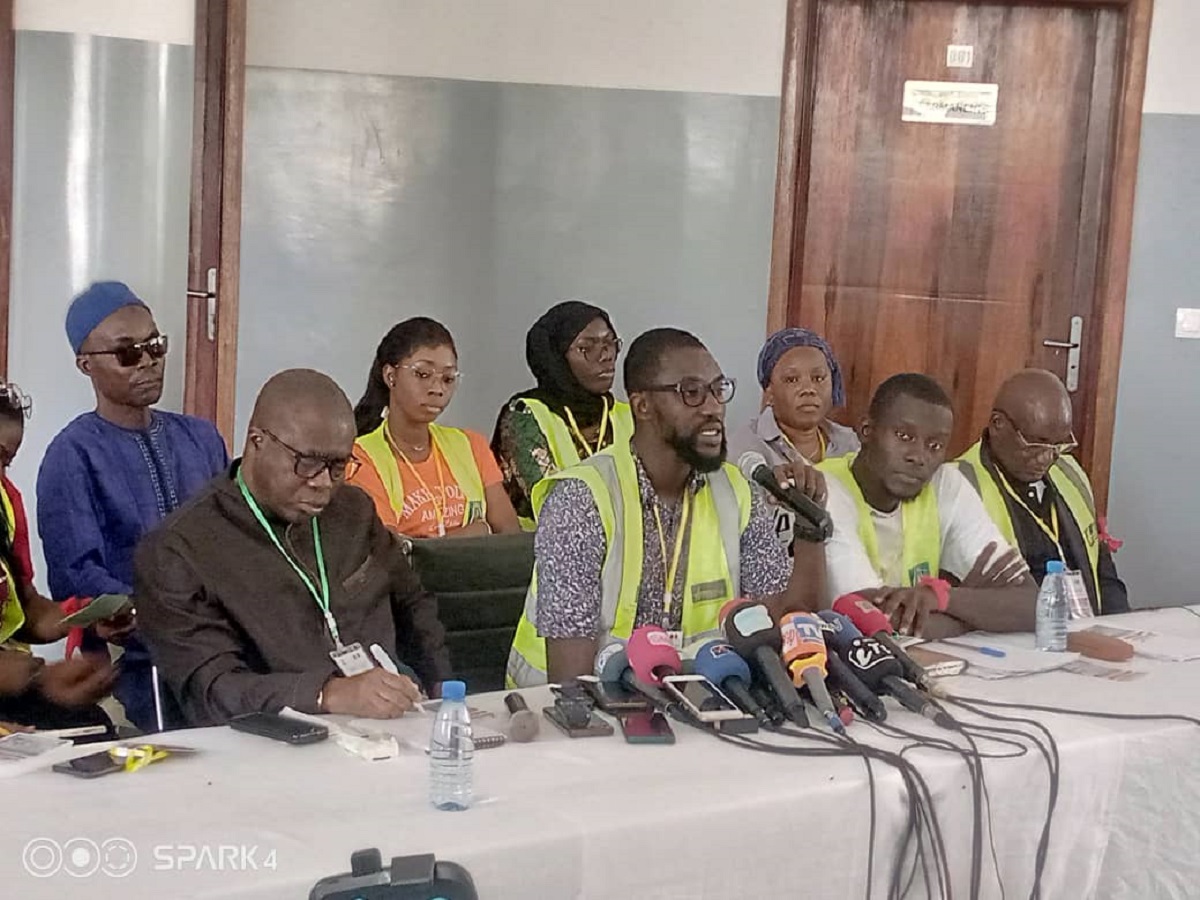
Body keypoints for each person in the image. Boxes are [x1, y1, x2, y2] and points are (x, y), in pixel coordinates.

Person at [508, 328, 827, 687]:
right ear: (642, 406)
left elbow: (777, 630)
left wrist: (808, 529)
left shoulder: (738, 490)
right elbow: (572, 684)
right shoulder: (582, 500)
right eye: (690, 393)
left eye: (718, 390)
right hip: (568, 719)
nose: (713, 408)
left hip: (701, 705)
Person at [136, 369, 452, 726]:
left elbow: (413, 604)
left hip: (392, 729)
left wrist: (443, 689)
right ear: (257, 441)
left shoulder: (353, 511)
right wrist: (327, 694)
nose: (323, 484)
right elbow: (215, 692)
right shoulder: (179, 550)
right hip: (270, 746)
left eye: (337, 466)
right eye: (307, 463)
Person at [36, 281, 228, 731]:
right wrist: (157, 613)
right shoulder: (72, 454)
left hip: (219, 648)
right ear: (86, 365)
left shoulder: (200, 438)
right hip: (134, 662)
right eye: (127, 353)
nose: (148, 362)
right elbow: (77, 576)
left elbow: (233, 539)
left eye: (155, 346)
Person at [818, 373, 1036, 639]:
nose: (919, 457)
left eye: (934, 445)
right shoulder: (826, 488)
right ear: (866, 430)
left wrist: (941, 597)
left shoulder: (945, 483)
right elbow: (874, 623)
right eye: (904, 436)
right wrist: (979, 616)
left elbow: (1031, 605)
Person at [0, 383, 123, 734]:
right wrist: (38, 676)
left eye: (7, 461)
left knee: (91, 728)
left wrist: (85, 615)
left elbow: (26, 611)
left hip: (12, 680)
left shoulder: (5, 502)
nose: (2, 476)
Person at [956, 369, 1127, 616]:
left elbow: (1100, 566)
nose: (1048, 457)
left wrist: (1122, 625)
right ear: (997, 425)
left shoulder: (1069, 471)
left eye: (1058, 444)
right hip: (1011, 639)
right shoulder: (960, 484)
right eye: (1036, 443)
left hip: (1085, 631)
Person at [349, 318, 519, 539]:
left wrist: (434, 546)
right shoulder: (361, 456)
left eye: (448, 379)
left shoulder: (470, 445)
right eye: (423, 375)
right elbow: (391, 554)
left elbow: (510, 535)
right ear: (391, 376)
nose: (437, 389)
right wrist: (478, 529)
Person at [492, 300, 635, 527]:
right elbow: (553, 505)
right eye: (586, 348)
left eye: (610, 343)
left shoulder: (630, 415)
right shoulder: (525, 415)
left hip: (626, 553)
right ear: (556, 358)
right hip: (545, 555)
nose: (606, 356)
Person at [730, 327, 859, 549]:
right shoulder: (742, 450)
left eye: (819, 378)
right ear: (768, 391)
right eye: (791, 380)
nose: (808, 389)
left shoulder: (850, 444)